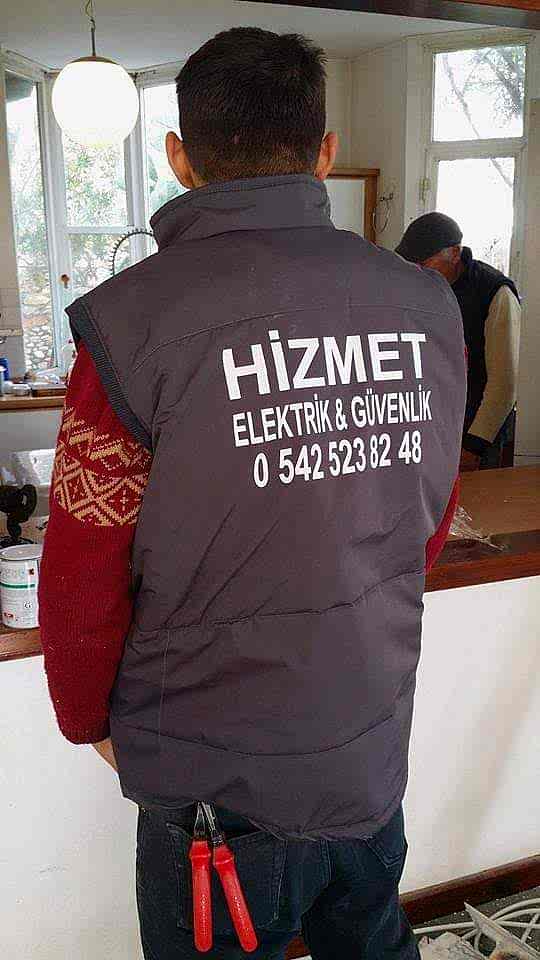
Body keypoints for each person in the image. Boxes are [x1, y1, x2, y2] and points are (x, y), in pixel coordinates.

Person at [39, 28, 465, 960]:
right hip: (366, 748)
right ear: (323, 152)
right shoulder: (426, 305)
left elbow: (80, 566)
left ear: (179, 157)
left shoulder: (131, 323)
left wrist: (87, 720)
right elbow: (424, 522)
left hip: (215, 789)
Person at [396, 212, 521, 471]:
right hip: (435, 425)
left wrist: (474, 446)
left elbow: (504, 384)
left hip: (479, 432)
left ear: (454, 253)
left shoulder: (496, 293)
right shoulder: (421, 287)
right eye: (412, 263)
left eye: (425, 262)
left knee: (480, 497)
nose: (417, 270)